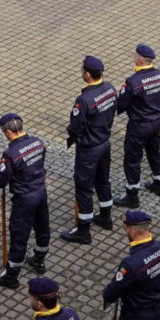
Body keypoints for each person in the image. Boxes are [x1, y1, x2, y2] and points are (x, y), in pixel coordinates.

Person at [59, 55, 119, 244]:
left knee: (84, 188)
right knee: (103, 181)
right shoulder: (110, 89)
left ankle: (83, 229)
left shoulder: (83, 99)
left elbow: (76, 126)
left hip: (89, 149)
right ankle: (106, 216)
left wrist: (71, 132)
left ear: (87, 74)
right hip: (104, 143)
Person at [0, 114, 50, 286]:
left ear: (8, 132)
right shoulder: (38, 142)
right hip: (40, 191)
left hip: (24, 198)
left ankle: (11, 275)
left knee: (19, 234)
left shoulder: (11, 153)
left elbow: (2, 176)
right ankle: (39, 259)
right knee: (42, 227)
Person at [112, 44, 160, 210]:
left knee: (132, 158)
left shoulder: (133, 81)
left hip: (139, 125)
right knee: (154, 152)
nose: (133, 57)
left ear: (140, 59)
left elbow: (121, 103)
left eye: (135, 55)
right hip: (155, 121)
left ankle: (132, 195)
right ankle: (159, 183)